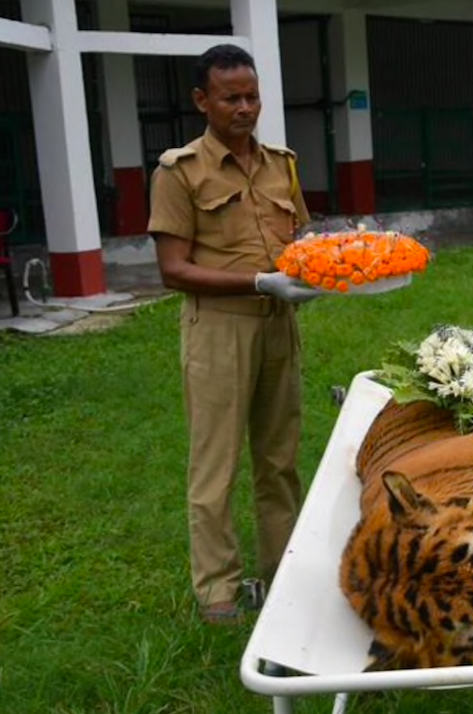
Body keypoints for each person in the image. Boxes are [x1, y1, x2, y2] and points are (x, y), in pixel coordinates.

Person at [148, 44, 322, 624]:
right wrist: (258, 280)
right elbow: (173, 270)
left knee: (280, 459)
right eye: (231, 98)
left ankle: (283, 573)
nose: (245, 108)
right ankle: (218, 590)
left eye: (252, 96)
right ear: (203, 100)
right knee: (215, 464)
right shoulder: (180, 172)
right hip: (219, 327)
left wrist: (321, 267)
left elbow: (300, 234)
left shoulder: (282, 162)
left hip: (279, 323)